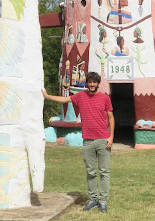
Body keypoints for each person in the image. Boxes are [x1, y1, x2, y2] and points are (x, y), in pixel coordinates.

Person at [42, 72, 114, 213]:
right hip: (87, 141)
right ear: (87, 83)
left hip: (103, 140)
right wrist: (47, 96)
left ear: (98, 84)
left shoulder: (105, 98)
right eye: (90, 82)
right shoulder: (81, 96)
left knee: (104, 172)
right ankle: (93, 199)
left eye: (94, 82)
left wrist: (111, 137)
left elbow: (111, 118)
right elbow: (64, 99)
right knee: (90, 172)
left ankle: (103, 201)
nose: (92, 84)